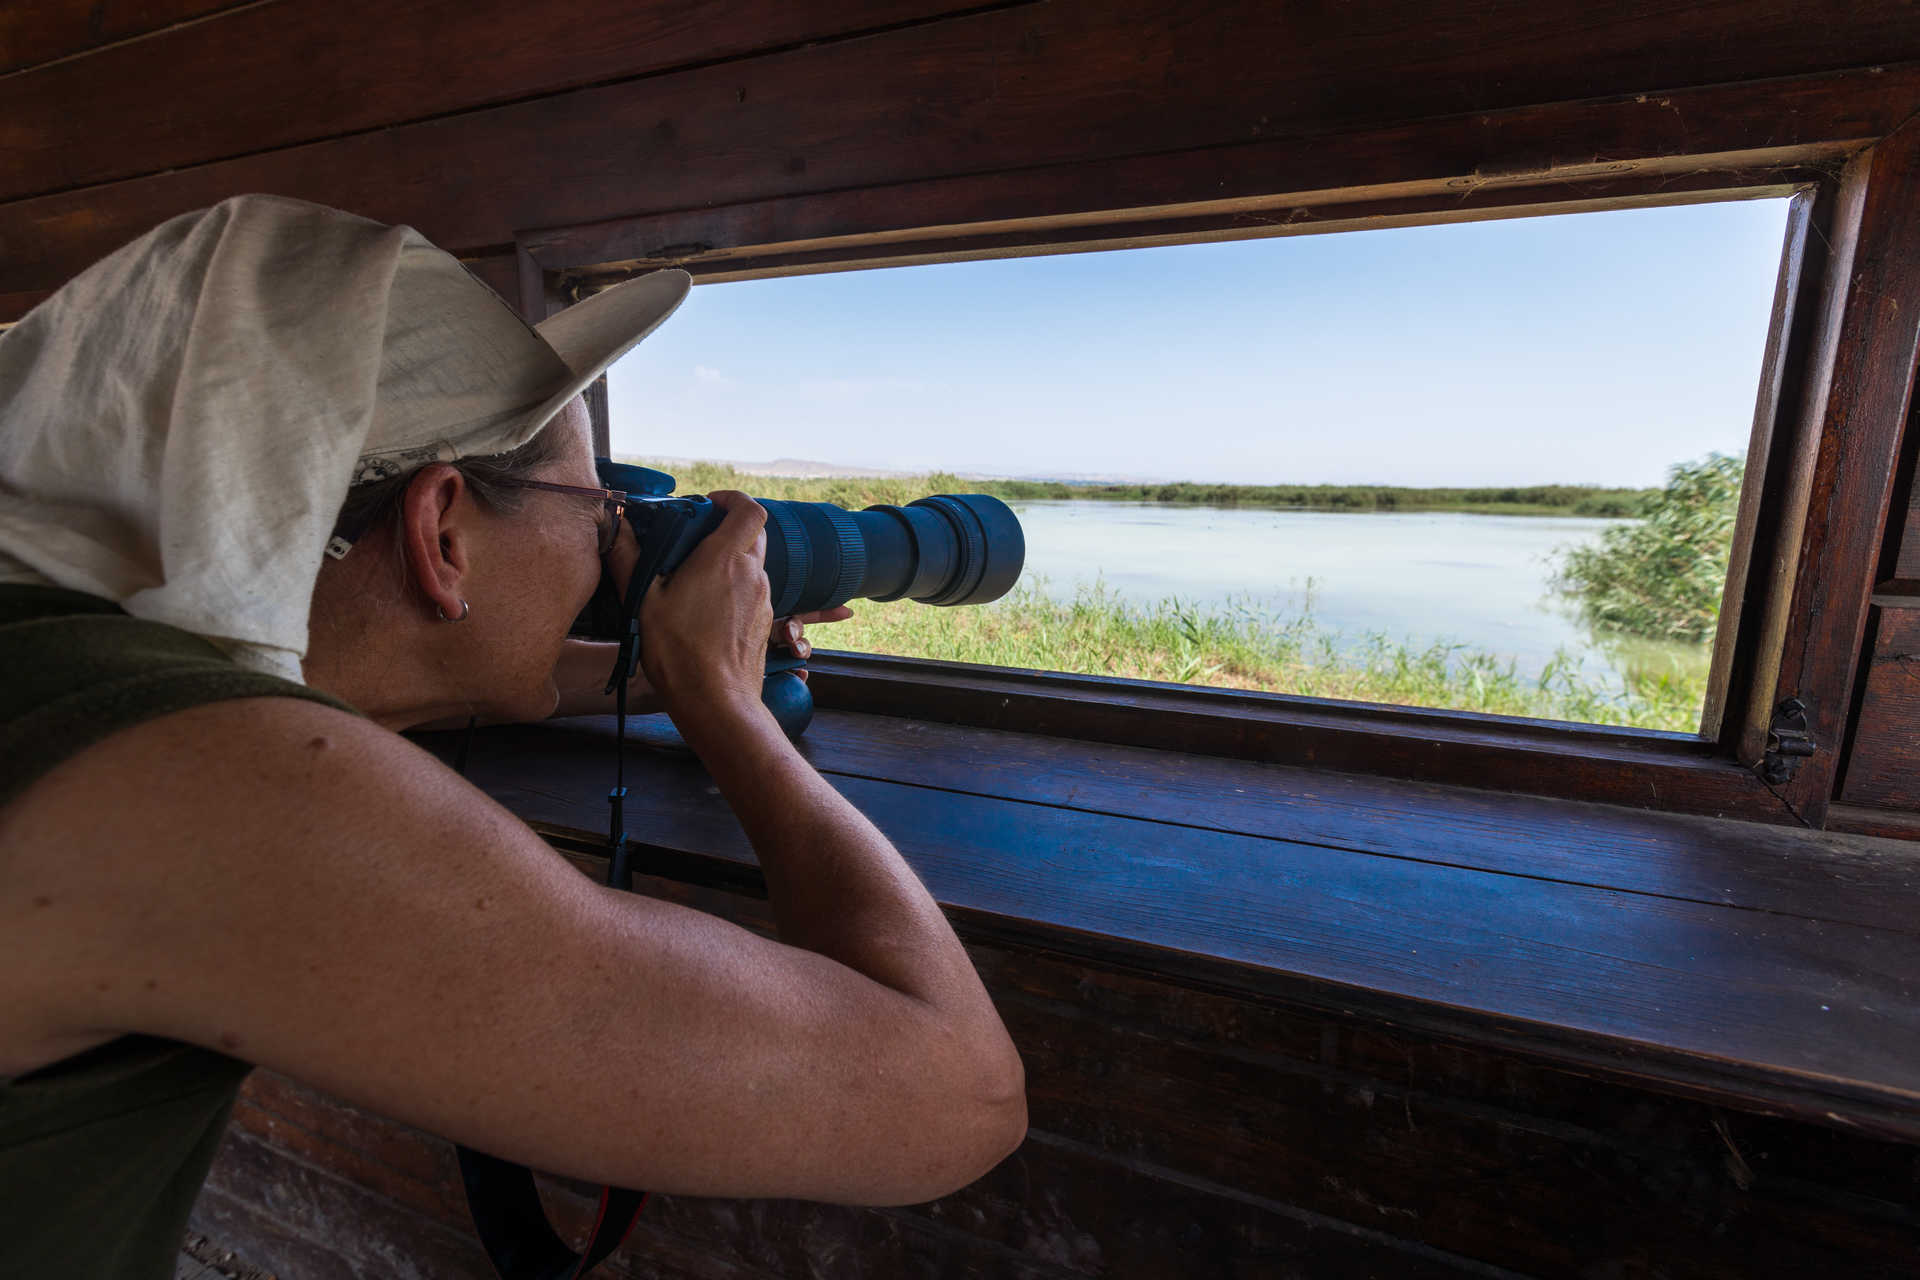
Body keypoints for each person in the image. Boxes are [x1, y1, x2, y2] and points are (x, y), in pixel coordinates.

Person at [0, 195, 1027, 1277]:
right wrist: (728, 711)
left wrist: (672, 667)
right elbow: (961, 1089)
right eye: (594, 513)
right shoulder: (205, 784)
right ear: (442, 529)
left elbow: (378, 675)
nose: (607, 546)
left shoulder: (76, 660)